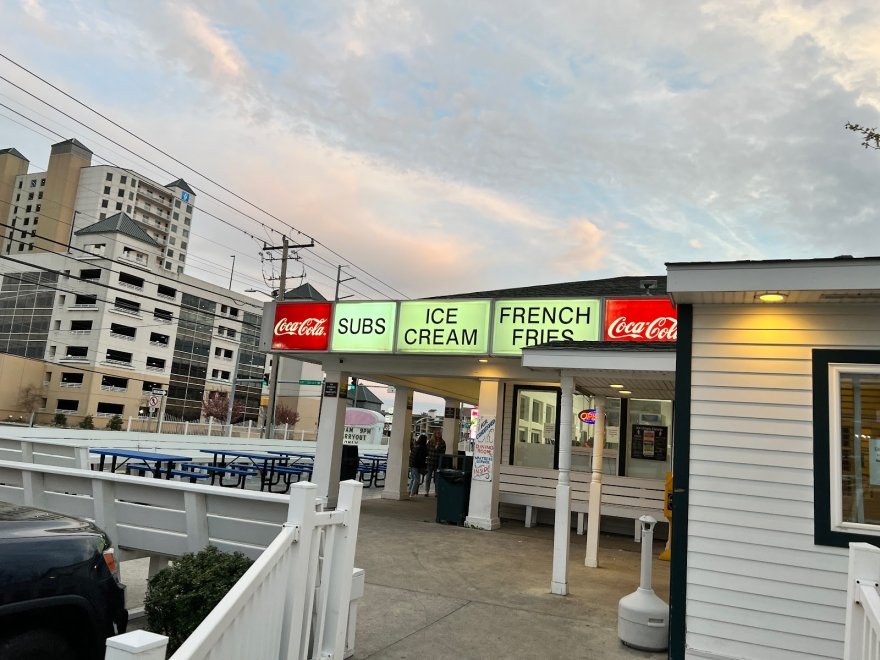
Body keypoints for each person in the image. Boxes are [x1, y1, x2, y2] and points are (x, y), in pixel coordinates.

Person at [424, 430, 446, 496]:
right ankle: (426, 491)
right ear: (435, 434)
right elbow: (426, 450)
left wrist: (438, 448)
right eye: (437, 433)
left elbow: (443, 452)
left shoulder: (442, 442)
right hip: (430, 462)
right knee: (428, 477)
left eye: (440, 433)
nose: (439, 434)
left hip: (438, 462)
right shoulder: (430, 441)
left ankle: (436, 492)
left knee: (437, 479)